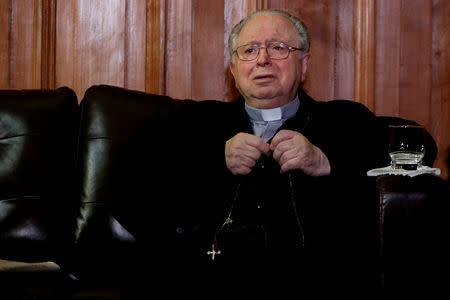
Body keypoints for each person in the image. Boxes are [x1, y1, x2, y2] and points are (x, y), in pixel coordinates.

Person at [127, 9, 390, 296]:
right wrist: (216, 159)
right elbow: (136, 177)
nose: (262, 59)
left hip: (314, 283)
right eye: (249, 50)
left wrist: (326, 162)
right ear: (233, 69)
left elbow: (418, 151)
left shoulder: (345, 120)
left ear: (304, 64)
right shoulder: (195, 121)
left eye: (278, 48)